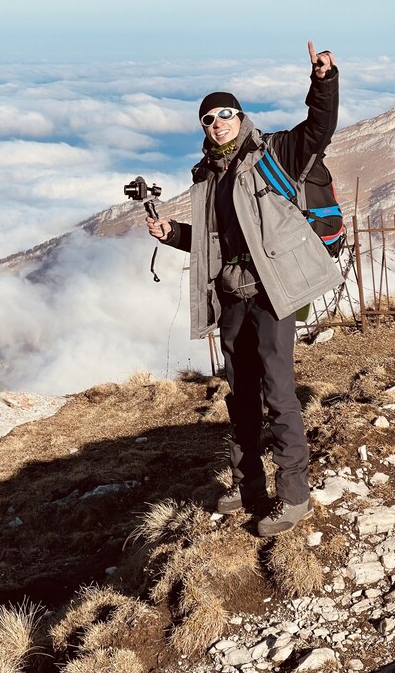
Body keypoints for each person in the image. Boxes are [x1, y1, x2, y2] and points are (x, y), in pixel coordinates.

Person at [146, 41, 343, 537]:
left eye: (226, 114)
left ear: (241, 116)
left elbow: (320, 130)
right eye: (209, 119)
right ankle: (248, 484)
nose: (219, 123)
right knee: (240, 393)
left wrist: (323, 82)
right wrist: (173, 235)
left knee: (279, 392)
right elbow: (214, 243)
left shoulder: (274, 151)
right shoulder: (206, 176)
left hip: (273, 293)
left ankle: (293, 496)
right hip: (232, 295)